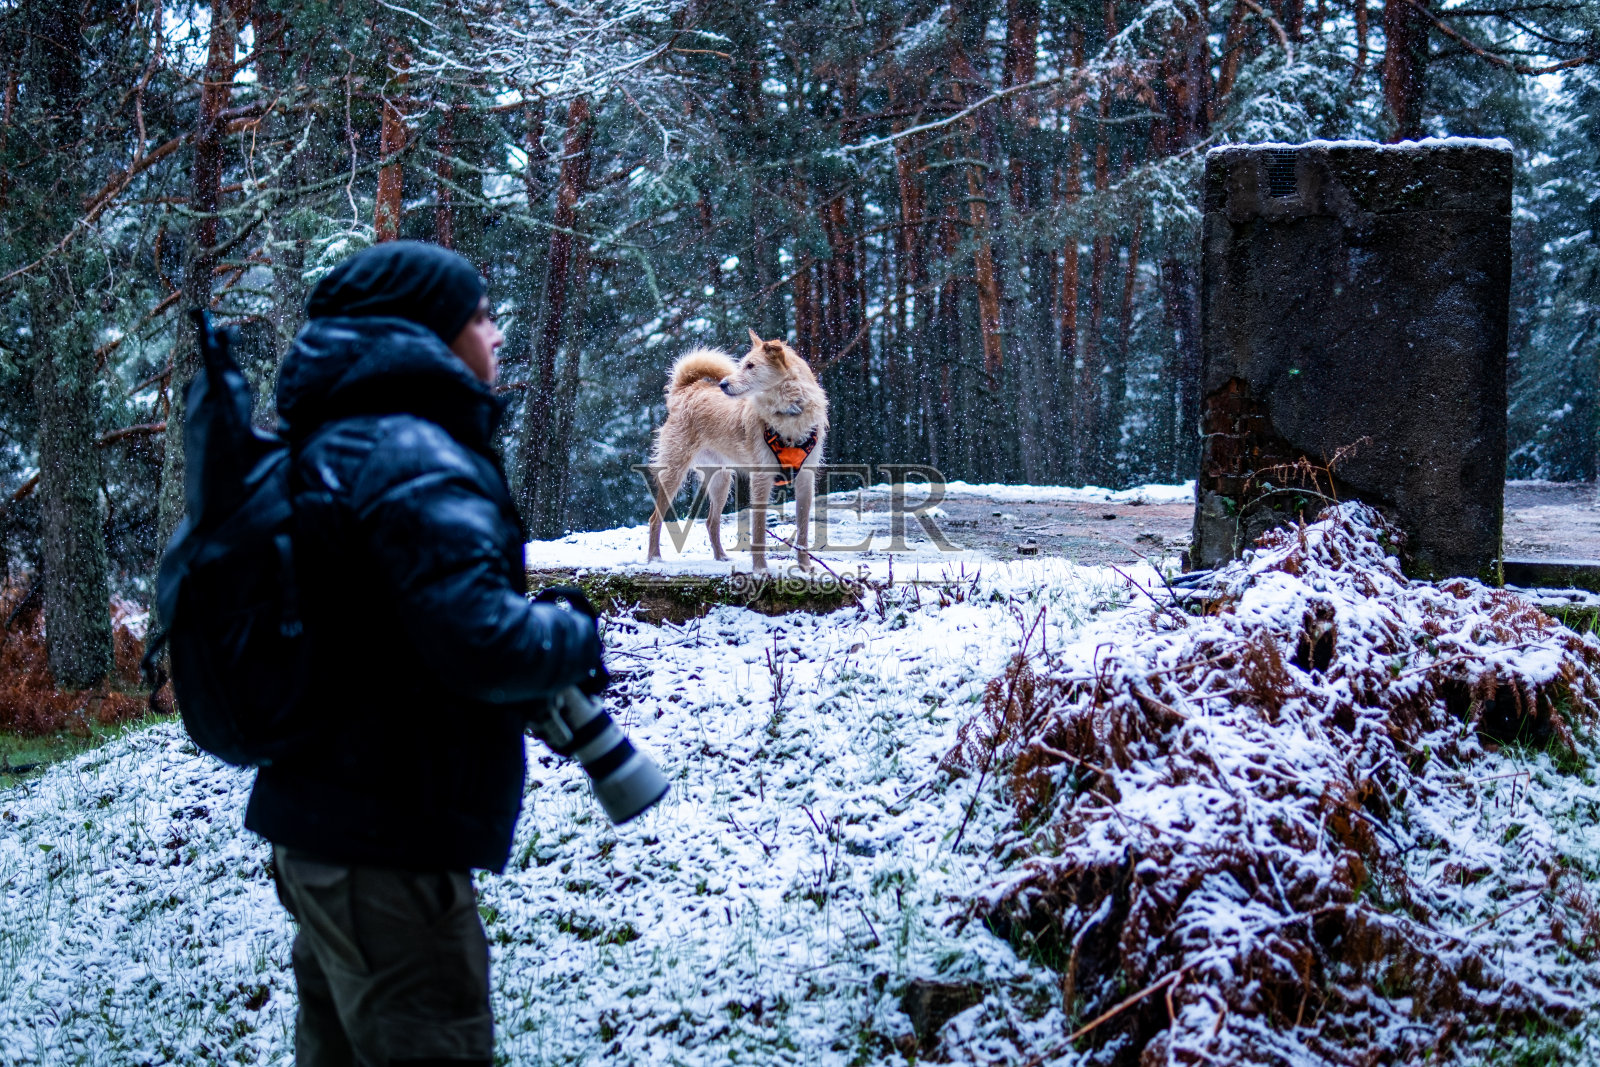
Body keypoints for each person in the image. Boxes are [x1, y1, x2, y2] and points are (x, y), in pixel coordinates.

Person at [245, 241, 605, 1066]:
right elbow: (480, 641)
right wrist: (574, 632)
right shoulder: (413, 452)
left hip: (326, 825)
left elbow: (399, 628)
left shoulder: (342, 438)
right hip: (388, 844)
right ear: (427, 333)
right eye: (479, 316)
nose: (498, 333)